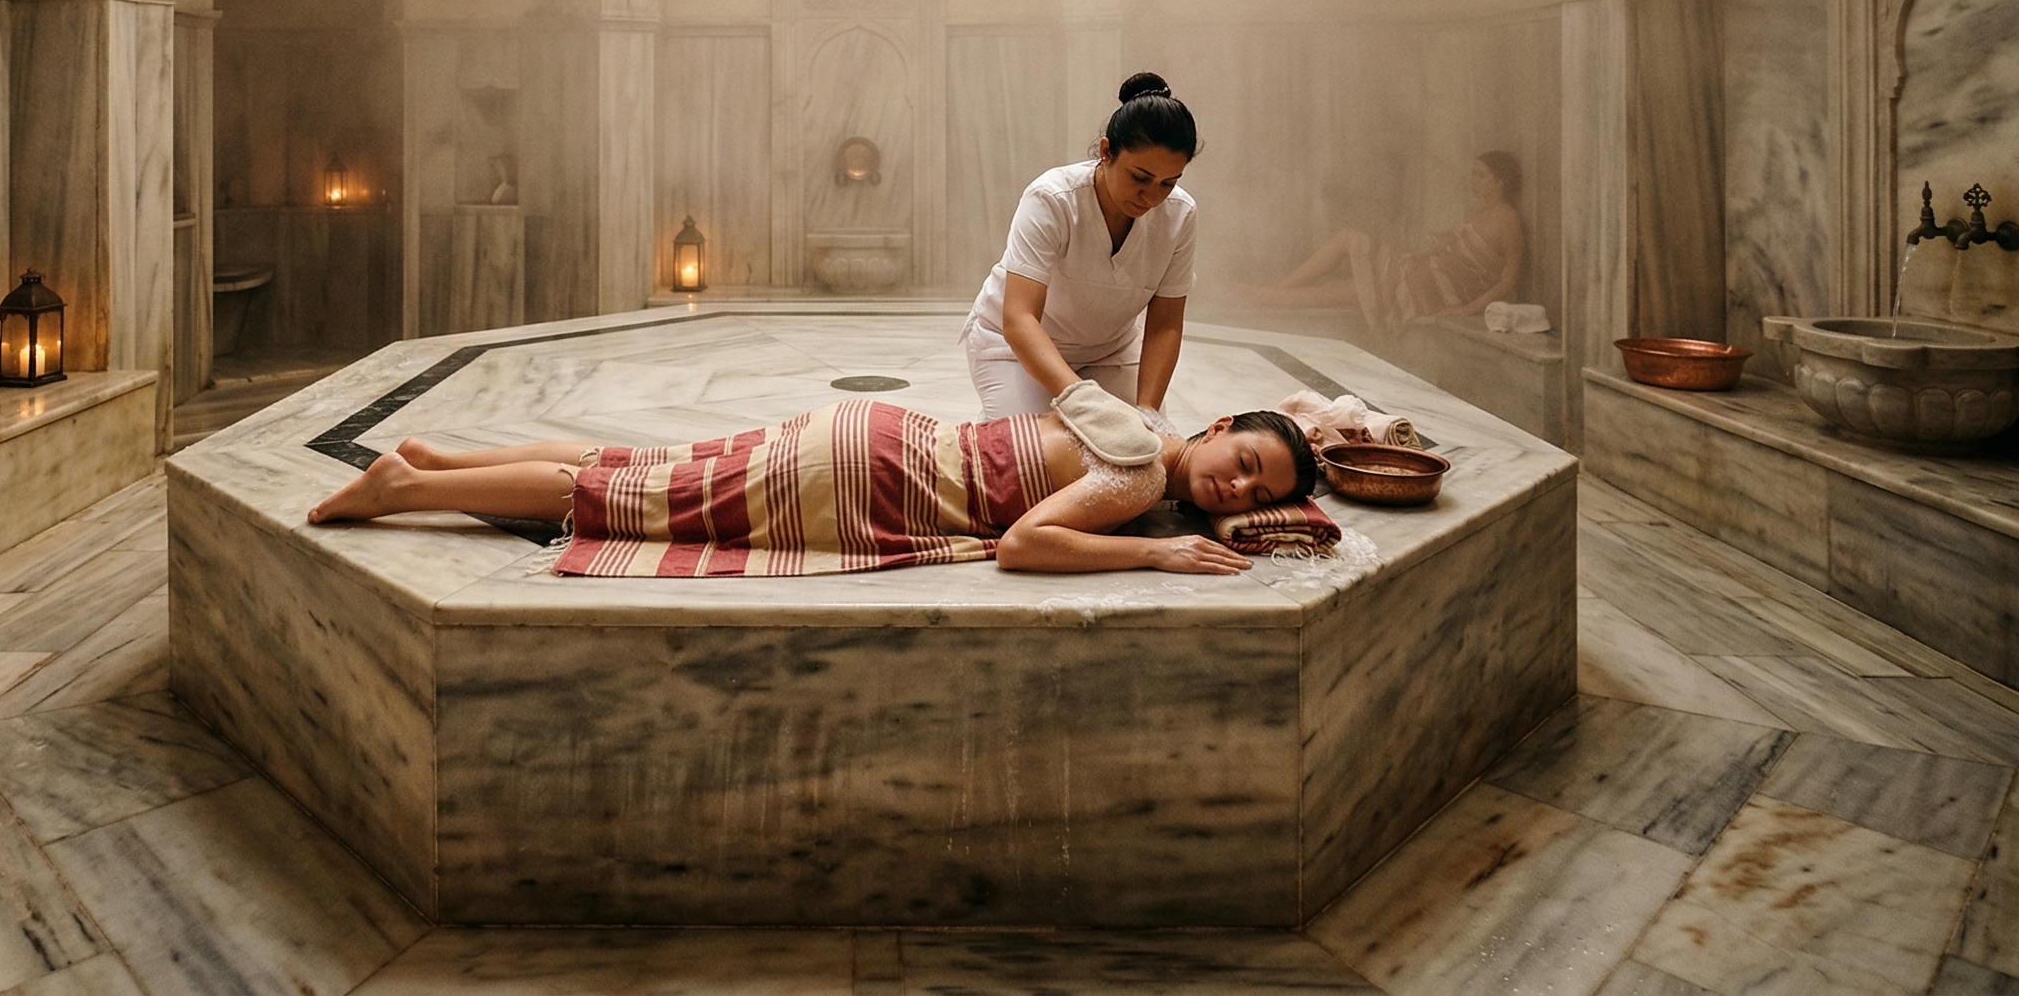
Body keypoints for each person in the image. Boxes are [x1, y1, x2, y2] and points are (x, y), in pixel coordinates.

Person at [305, 400, 1319, 578]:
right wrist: (1157, 547)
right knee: (614, 502)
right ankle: (396, 487)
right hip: (872, 480)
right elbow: (1024, 545)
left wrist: (1271, 498)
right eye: (1243, 463)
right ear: (1222, 429)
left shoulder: (1150, 423)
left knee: (640, 464)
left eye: (1250, 493)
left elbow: (1280, 439)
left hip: (871, 441)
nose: (1234, 493)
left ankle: (440, 464)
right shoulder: (1140, 472)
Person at [962, 73, 1200, 422]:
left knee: (1140, 450)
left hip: (1110, 352)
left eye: (1168, 183)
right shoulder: (1052, 199)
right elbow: (1019, 318)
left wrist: (1149, 412)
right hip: (1012, 348)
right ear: (1106, 151)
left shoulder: (1180, 214)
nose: (1152, 196)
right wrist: (1085, 403)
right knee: (1039, 460)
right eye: (1140, 177)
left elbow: (1165, 325)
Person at [1244, 151, 1526, 328]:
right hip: (1423, 272)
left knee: (1350, 290)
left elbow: (1508, 278)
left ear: (1501, 181)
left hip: (1437, 291)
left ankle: (1266, 296)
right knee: (1347, 245)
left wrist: (1466, 310)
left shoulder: (1508, 219)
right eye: (1473, 174)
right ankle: (1272, 291)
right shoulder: (1479, 212)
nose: (1473, 181)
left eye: (1481, 175)